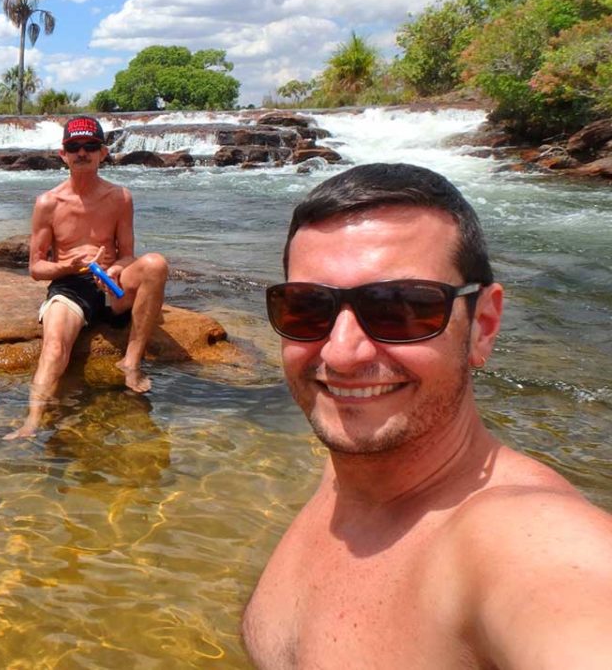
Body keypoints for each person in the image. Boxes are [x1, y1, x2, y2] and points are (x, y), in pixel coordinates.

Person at [242, 163, 612, 668]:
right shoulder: (347, 464)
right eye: (307, 307)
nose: (341, 353)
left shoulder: (519, 537)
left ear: (482, 326)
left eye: (400, 308)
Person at [5, 116, 169, 439]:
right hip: (70, 286)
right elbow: (36, 267)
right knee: (54, 348)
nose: (82, 153)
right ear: (63, 153)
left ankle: (130, 363)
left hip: (110, 284)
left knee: (156, 264)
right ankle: (32, 422)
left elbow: (127, 253)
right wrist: (70, 266)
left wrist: (117, 268)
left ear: (103, 152)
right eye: (74, 147)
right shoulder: (48, 203)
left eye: (90, 146)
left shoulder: (120, 197)